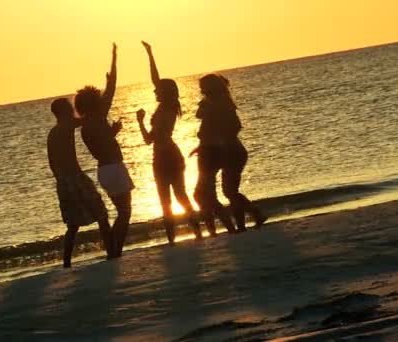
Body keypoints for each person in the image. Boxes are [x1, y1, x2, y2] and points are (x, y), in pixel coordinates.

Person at [136, 41, 203, 245]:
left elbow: (149, 139)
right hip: (165, 155)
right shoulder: (168, 106)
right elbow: (157, 80)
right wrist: (149, 54)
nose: (154, 92)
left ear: (164, 93)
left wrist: (140, 121)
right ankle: (188, 234)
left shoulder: (168, 107)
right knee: (173, 197)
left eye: (158, 91)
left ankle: (180, 237)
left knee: (172, 198)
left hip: (166, 156)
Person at [75, 43, 134, 257]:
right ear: (95, 102)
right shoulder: (99, 117)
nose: (103, 98)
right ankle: (114, 250)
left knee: (122, 211)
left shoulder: (85, 126)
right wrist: (114, 59)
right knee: (125, 212)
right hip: (114, 169)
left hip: (104, 171)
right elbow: (113, 88)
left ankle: (113, 249)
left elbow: (100, 147)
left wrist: (113, 133)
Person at [196, 74, 268, 232]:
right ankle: (243, 224)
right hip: (228, 150)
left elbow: (235, 126)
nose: (201, 90)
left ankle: (255, 213)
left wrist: (223, 140)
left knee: (229, 190)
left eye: (203, 86)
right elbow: (200, 116)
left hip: (232, 151)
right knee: (230, 191)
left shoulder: (221, 103)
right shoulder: (214, 103)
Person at [47, 98, 113, 268]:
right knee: (101, 213)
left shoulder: (52, 133)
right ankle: (112, 251)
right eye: (70, 107)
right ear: (63, 111)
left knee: (73, 224)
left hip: (62, 182)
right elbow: (89, 118)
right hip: (75, 178)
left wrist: (62, 180)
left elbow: (52, 163)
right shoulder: (66, 125)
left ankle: (67, 262)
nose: (73, 109)